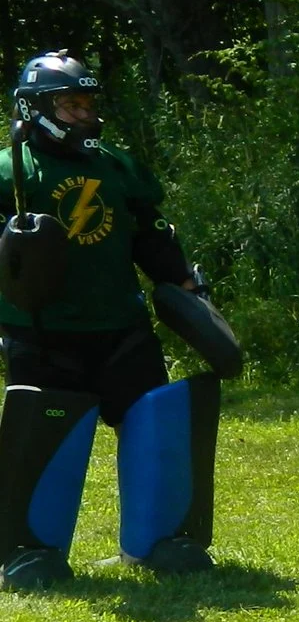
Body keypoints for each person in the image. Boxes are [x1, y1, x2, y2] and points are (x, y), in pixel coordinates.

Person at [0, 50, 232, 588]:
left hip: (121, 328)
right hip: (42, 333)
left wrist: (187, 289)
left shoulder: (116, 165)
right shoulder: (10, 171)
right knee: (43, 438)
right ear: (36, 109)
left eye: (88, 103)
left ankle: (161, 540)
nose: (85, 114)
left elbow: (151, 234)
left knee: (153, 424)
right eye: (71, 104)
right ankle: (29, 550)